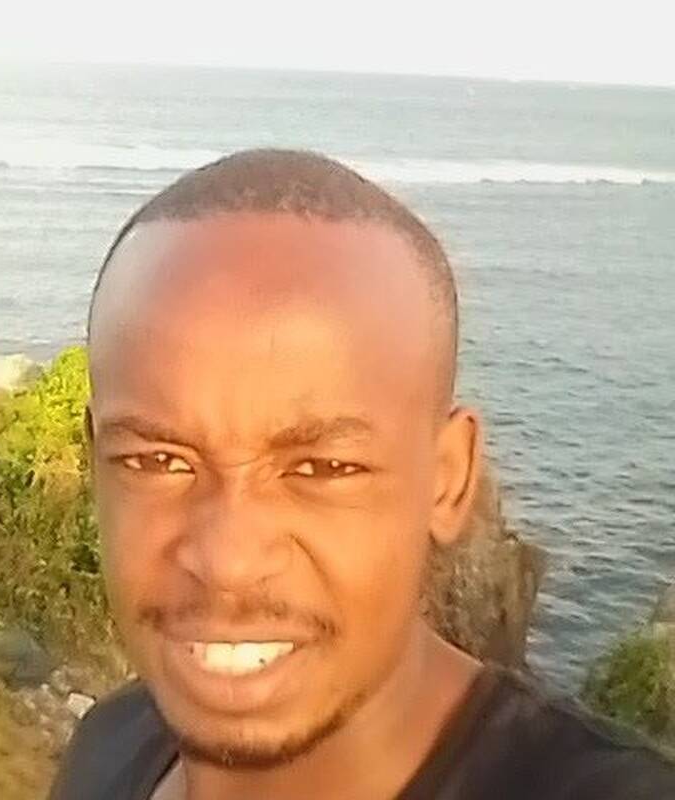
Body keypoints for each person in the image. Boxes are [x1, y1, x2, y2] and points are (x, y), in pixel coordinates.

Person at [50, 149, 675, 799]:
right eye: (157, 461)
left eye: (323, 468)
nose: (228, 562)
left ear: (448, 480)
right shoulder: (109, 746)